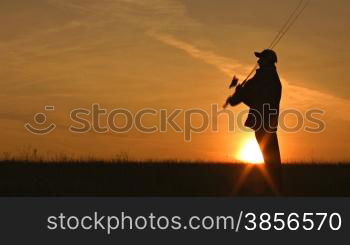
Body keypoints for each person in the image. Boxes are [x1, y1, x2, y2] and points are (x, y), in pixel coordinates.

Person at [225, 49, 282, 192]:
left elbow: (251, 97)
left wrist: (237, 95)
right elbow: (252, 96)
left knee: (270, 157)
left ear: (268, 61)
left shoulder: (264, 78)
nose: (258, 61)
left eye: (261, 58)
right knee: (271, 156)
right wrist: (240, 93)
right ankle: (274, 187)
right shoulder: (268, 77)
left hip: (263, 123)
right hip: (266, 123)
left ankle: (273, 188)